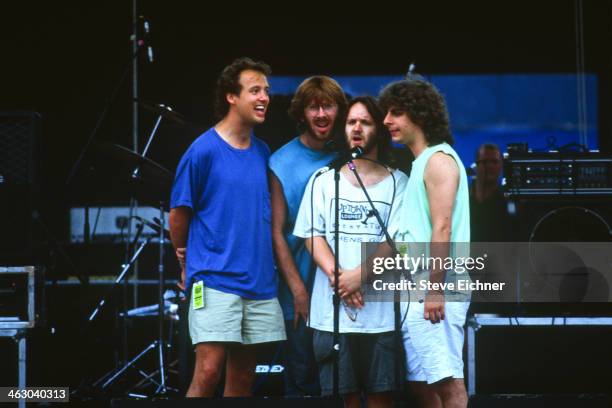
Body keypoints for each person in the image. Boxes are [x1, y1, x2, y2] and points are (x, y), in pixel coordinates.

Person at [169, 57, 286, 398]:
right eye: (255, 90)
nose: (264, 97)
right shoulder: (202, 150)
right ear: (231, 97)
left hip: (260, 284)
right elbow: (178, 215)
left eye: (266, 90)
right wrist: (184, 260)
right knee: (207, 372)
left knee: (244, 379)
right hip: (215, 279)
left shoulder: (263, 152)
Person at [293, 96, 408, 407]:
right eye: (351, 122)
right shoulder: (324, 179)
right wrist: (341, 279)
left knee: (380, 396)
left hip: (381, 314)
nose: (357, 128)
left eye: (365, 122)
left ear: (379, 129)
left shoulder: (399, 183)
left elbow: (398, 242)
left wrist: (359, 276)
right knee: (343, 397)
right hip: (332, 313)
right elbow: (312, 236)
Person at [379, 78, 470, 408]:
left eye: (397, 113)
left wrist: (434, 288)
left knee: (447, 379)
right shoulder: (422, 162)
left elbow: (442, 228)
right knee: (422, 383)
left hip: (435, 286)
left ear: (420, 114)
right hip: (416, 287)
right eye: (386, 113)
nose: (387, 121)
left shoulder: (439, 160)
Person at [269, 76, 347, 396]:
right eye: (313, 107)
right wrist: (298, 291)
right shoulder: (279, 161)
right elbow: (276, 232)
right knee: (302, 382)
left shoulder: (348, 156)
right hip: (298, 292)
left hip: (344, 291)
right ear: (301, 113)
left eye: (327, 105)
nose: (321, 114)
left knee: (343, 384)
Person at [470, 143, 512, 242]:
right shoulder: (463, 198)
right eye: (484, 162)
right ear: (476, 165)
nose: (489, 166)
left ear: (501, 165)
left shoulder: (508, 200)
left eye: (494, 161)